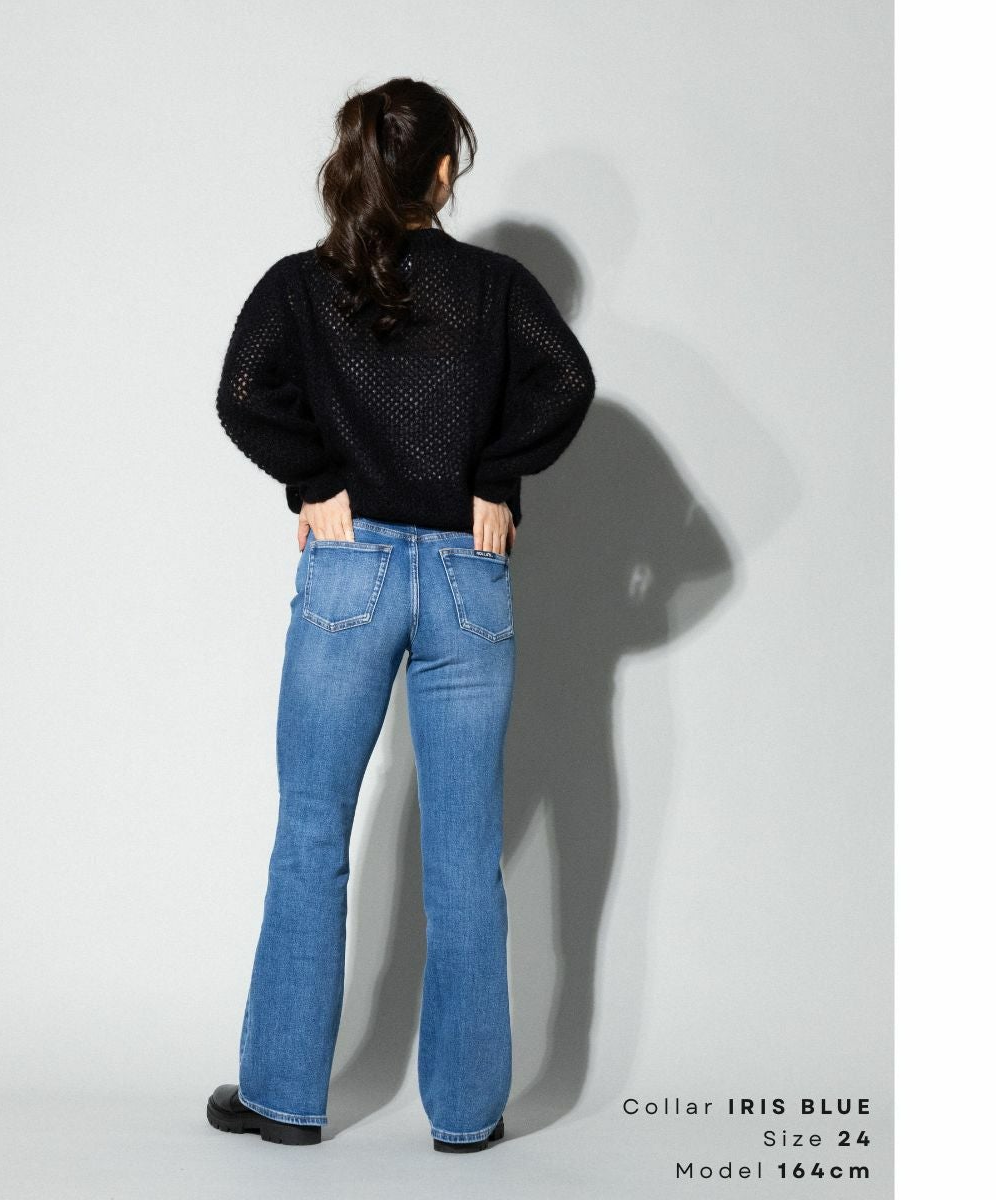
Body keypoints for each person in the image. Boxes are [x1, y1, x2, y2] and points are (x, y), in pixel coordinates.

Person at [206, 77, 595, 1153]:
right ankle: (467, 1117)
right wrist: (496, 479)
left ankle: (284, 1098)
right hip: (470, 575)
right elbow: (567, 383)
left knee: (311, 830)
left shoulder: (303, 285)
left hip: (350, 573)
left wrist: (317, 479)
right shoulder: (497, 288)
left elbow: (242, 393)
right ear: (442, 172)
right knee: (465, 852)